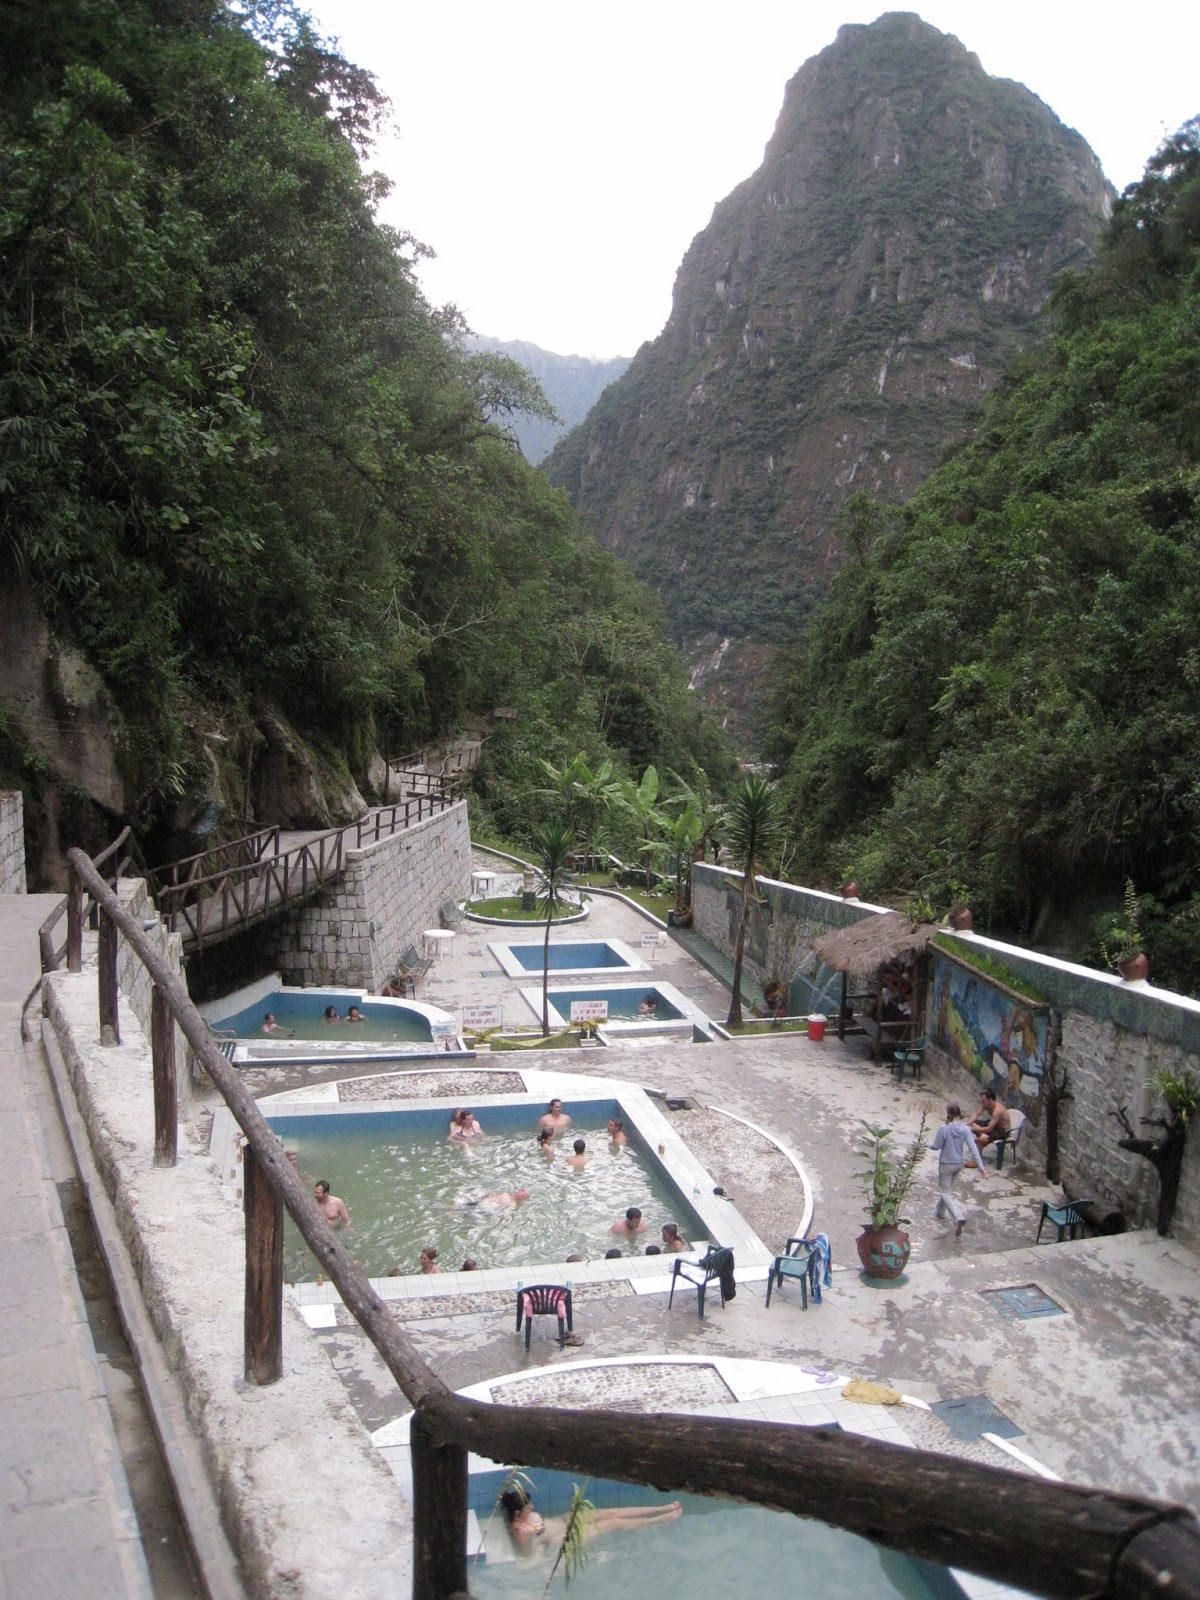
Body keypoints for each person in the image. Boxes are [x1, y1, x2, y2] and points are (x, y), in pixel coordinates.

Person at [500, 1485, 681, 1552]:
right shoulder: (520, 1530)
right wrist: (538, 1534)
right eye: (528, 1507)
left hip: (564, 1520)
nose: (531, 1508)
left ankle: (660, 1509)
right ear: (517, 1514)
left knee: (611, 1513)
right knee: (615, 1523)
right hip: (568, 1536)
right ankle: (659, 1519)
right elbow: (529, 1555)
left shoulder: (522, 1513)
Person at [928, 1104, 986, 1237]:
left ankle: (958, 1216)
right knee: (947, 1189)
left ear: (948, 1113)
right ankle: (940, 1212)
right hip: (959, 1164)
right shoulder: (965, 1129)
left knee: (945, 1192)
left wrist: (927, 1143)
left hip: (946, 1164)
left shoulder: (944, 1129)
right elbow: (973, 1148)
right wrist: (981, 1166)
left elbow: (936, 1146)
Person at [970, 1087, 1012, 1151]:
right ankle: (983, 1135)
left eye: (983, 1100)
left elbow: (989, 1129)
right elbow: (976, 1114)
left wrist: (974, 1129)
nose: (982, 1102)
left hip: (1002, 1130)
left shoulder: (997, 1111)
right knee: (972, 1122)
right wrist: (967, 1124)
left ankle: (983, 1139)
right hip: (993, 1125)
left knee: (981, 1140)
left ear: (990, 1100)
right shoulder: (986, 1104)